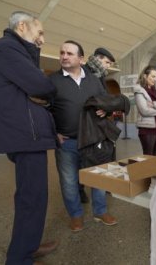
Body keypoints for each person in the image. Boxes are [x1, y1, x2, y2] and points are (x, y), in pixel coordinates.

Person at [0, 11, 58, 264]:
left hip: (27, 133)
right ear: (22, 26)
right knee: (31, 198)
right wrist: (41, 90)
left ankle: (29, 245)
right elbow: (42, 86)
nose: (42, 39)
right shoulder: (6, 48)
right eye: (40, 32)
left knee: (34, 195)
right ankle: (19, 258)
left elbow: (35, 87)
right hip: (25, 135)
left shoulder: (14, 51)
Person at [49, 40, 117, 232]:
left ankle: (100, 211)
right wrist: (53, 132)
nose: (64, 56)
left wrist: (107, 110)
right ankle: (76, 216)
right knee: (69, 181)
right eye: (62, 52)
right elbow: (44, 109)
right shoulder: (52, 81)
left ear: (81, 58)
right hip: (67, 142)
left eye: (69, 53)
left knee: (98, 177)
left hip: (93, 140)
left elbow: (106, 101)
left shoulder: (94, 80)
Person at [78, 47, 115, 203]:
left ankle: (102, 189)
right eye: (106, 62)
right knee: (80, 162)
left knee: (101, 159)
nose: (107, 66)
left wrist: (108, 110)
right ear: (98, 58)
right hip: (84, 126)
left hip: (99, 127)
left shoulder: (101, 75)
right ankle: (80, 190)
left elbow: (106, 100)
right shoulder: (83, 72)